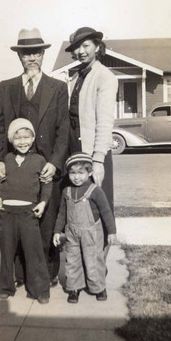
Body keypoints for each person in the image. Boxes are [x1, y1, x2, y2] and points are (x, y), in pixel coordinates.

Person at [0, 28, 70, 286]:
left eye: (36, 52)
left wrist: (55, 162)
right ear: (20, 57)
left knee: (46, 222)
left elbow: (63, 129)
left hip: (47, 167)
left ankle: (46, 275)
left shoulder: (57, 88)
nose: (32, 58)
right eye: (26, 53)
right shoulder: (7, 88)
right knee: (17, 219)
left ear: (43, 54)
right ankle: (21, 274)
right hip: (17, 168)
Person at [65, 27, 118, 226]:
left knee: (98, 205)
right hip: (76, 149)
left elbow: (104, 123)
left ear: (97, 47)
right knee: (79, 204)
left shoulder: (104, 76)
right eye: (77, 48)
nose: (81, 51)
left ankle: (99, 253)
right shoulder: (77, 76)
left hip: (94, 153)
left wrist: (98, 160)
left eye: (86, 45)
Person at [0, 118, 52, 303]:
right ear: (11, 140)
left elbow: (46, 185)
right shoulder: (7, 160)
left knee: (33, 253)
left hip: (29, 214)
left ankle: (40, 290)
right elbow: (3, 185)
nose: (22, 141)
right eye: (17, 137)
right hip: (7, 214)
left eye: (26, 137)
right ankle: (5, 287)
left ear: (33, 138)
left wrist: (42, 203)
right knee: (7, 252)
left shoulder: (39, 160)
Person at [53, 152, 116, 303]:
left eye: (81, 173)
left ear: (90, 173)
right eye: (72, 173)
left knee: (93, 260)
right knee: (72, 260)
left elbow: (106, 212)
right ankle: (74, 288)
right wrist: (57, 231)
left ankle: (98, 287)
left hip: (92, 233)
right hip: (71, 232)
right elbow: (62, 213)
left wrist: (112, 232)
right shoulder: (66, 191)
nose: (76, 177)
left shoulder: (95, 190)